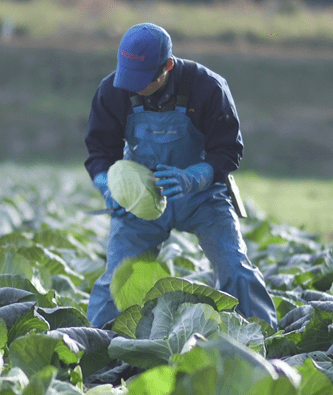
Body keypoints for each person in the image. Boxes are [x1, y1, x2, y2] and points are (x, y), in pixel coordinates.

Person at [84, 23, 278, 331]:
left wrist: (194, 177)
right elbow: (99, 153)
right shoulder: (112, 91)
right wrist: (109, 189)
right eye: (128, 78)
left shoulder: (208, 88)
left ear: (167, 67)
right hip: (143, 198)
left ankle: (262, 340)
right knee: (115, 281)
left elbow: (228, 150)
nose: (133, 87)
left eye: (143, 80)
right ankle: (100, 347)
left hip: (203, 195)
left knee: (235, 267)